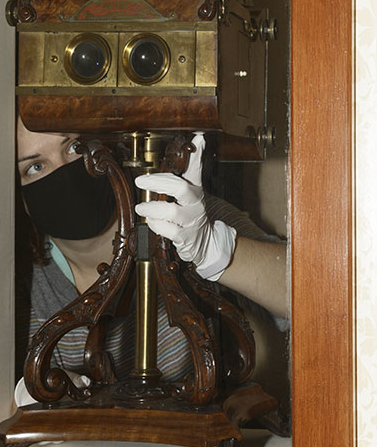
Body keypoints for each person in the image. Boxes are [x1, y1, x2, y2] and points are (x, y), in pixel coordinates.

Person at [15, 117, 288, 401]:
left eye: (74, 147)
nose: (65, 173)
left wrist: (217, 252)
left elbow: (311, 294)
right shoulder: (23, 276)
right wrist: (23, 394)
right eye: (35, 167)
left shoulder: (184, 221)